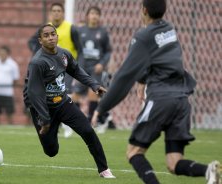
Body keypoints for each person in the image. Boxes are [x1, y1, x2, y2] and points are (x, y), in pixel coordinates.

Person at [92, 0, 221, 183]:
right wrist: (143, 81)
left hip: (161, 99)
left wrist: (102, 107)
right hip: (182, 101)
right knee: (174, 162)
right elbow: (162, 60)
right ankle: (209, 171)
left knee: (133, 152)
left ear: (143, 10)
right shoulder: (170, 29)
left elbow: (123, 76)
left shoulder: (143, 36)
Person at [23, 24, 115, 179]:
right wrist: (45, 120)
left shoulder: (64, 54)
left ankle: (104, 169)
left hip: (63, 103)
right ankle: (54, 125)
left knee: (87, 131)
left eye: (53, 34)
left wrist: (94, 84)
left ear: (57, 36)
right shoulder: (38, 62)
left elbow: (76, 70)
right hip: (43, 108)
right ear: (40, 40)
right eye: (46, 35)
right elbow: (34, 94)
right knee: (51, 151)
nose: (51, 37)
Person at [28, 3, 82, 137]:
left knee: (65, 93)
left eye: (59, 11)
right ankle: (54, 125)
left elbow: (80, 49)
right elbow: (31, 42)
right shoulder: (45, 28)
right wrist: (38, 54)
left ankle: (67, 125)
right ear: (50, 14)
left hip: (66, 67)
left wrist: (78, 66)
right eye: (54, 11)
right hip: (49, 69)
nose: (56, 13)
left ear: (63, 13)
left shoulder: (71, 28)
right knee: (50, 96)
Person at [71, 6, 113, 133]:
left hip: (96, 68)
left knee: (93, 92)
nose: (94, 16)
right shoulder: (80, 30)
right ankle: (74, 122)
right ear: (87, 16)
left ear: (99, 17)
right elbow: (75, 48)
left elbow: (108, 51)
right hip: (82, 67)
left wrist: (102, 63)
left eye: (96, 14)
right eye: (92, 13)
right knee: (76, 94)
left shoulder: (103, 32)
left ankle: (91, 122)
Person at [0, 45, 20, 124]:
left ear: (8, 54)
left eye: (3, 53)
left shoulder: (13, 64)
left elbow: (15, 79)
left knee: (9, 113)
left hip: (7, 93)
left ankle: (10, 128)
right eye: (0, 53)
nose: (1, 55)